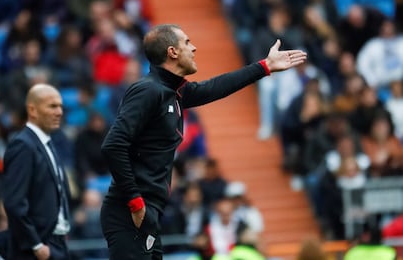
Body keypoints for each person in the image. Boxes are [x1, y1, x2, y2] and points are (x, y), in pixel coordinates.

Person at [100, 23, 307, 259]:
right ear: (172, 52)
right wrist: (135, 202)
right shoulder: (148, 90)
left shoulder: (172, 92)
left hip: (149, 210)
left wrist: (264, 66)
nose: (194, 48)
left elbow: (214, 88)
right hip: (130, 210)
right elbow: (113, 145)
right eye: (187, 43)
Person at [2, 84, 71, 260]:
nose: (59, 112)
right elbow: (14, 202)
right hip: (36, 250)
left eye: (61, 106)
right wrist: (35, 244)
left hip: (56, 244)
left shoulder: (47, 143)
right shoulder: (23, 145)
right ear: (32, 110)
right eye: (52, 106)